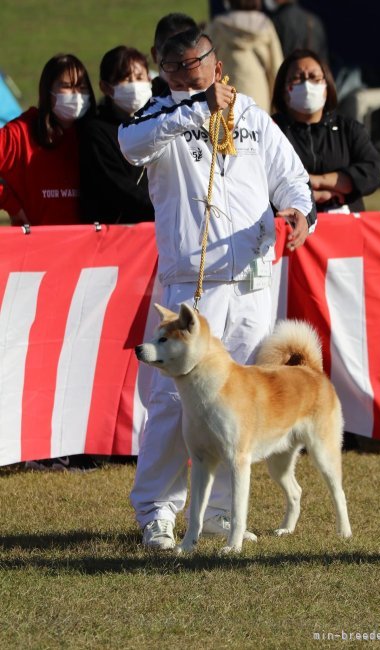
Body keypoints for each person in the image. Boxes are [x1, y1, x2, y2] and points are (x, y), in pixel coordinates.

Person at [118, 26, 315, 550]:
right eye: (175, 65)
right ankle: (158, 512)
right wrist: (195, 108)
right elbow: (130, 145)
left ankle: (222, 512)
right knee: (169, 398)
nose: (186, 71)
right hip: (193, 282)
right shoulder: (160, 116)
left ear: (215, 61)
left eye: (195, 61)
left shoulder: (250, 114)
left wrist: (299, 211)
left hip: (252, 276)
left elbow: (291, 176)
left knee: (240, 401)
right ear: (163, 69)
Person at [271, 49, 380, 212]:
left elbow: (371, 171)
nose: (306, 85)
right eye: (297, 78)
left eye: (314, 78)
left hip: (344, 224)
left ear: (327, 85)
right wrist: (312, 194)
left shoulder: (348, 129)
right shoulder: (271, 130)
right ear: (283, 89)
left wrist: (318, 181)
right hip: (290, 225)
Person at [0, 53, 96, 226]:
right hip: (35, 247)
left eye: (81, 87)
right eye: (67, 86)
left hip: (85, 247)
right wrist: (11, 205)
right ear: (47, 90)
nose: (76, 95)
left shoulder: (96, 135)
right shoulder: (19, 133)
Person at [79, 46, 155, 224]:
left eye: (139, 78)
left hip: (159, 230)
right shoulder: (96, 132)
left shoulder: (157, 123)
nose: (134, 86)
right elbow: (116, 186)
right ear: (106, 87)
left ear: (150, 80)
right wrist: (163, 209)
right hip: (116, 234)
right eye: (125, 80)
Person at [206, 0, 283, 112]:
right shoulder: (266, 25)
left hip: (225, 95)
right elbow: (276, 67)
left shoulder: (218, 26)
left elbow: (205, 63)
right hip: (259, 93)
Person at [150, 13, 198, 97]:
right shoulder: (145, 103)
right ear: (155, 54)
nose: (181, 63)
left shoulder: (215, 99)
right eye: (172, 53)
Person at [264, 0, 328, 62]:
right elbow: (323, 61)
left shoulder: (275, 21)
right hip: (312, 70)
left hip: (287, 70)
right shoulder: (315, 21)